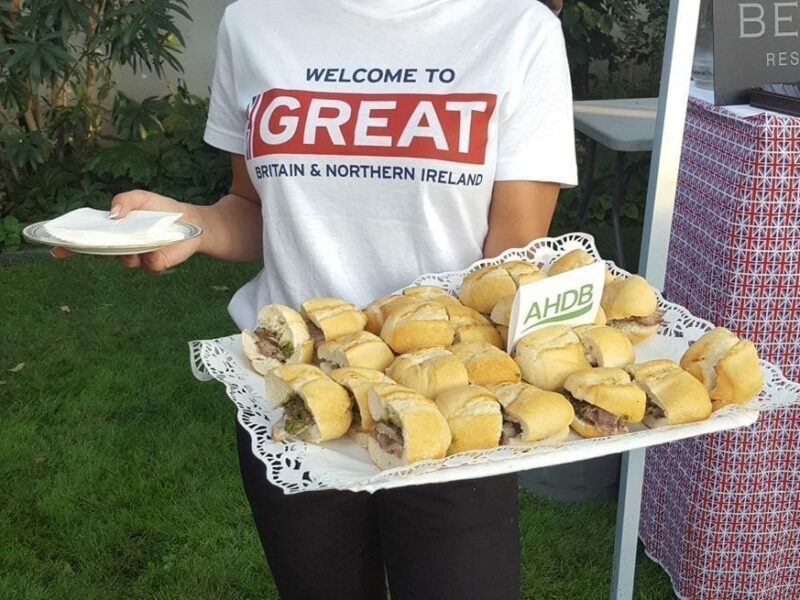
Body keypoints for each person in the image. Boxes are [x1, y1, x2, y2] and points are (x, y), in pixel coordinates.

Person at [54, 0, 577, 597]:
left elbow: (511, 261)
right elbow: (253, 211)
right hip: (296, 392)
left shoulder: (515, 28)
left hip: (451, 399)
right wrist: (186, 224)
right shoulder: (254, 22)